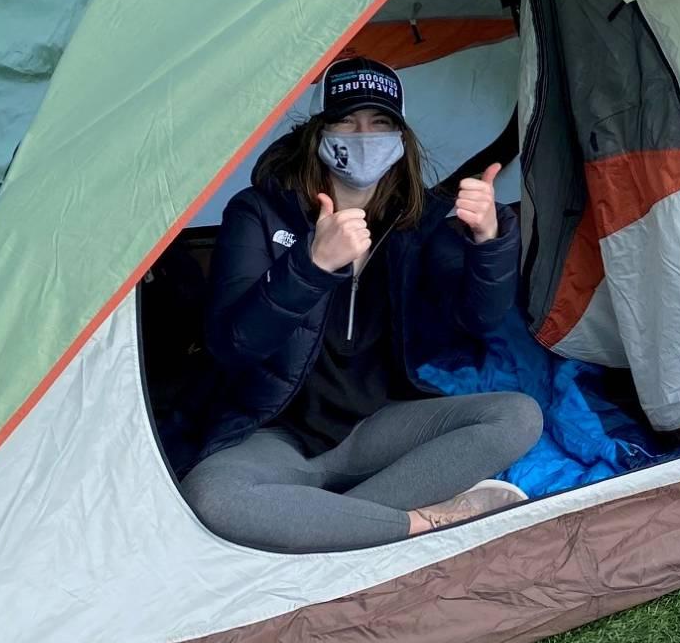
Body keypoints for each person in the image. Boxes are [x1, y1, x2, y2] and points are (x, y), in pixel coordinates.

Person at [182, 55, 543, 553]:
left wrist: (489, 241)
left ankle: (329, 519)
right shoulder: (258, 211)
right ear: (318, 132)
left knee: (519, 416)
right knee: (213, 498)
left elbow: (478, 319)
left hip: (376, 426)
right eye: (346, 120)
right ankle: (421, 521)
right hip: (276, 431)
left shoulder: (418, 219)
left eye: (380, 123)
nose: (363, 135)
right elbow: (232, 345)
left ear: (400, 139)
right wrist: (310, 266)